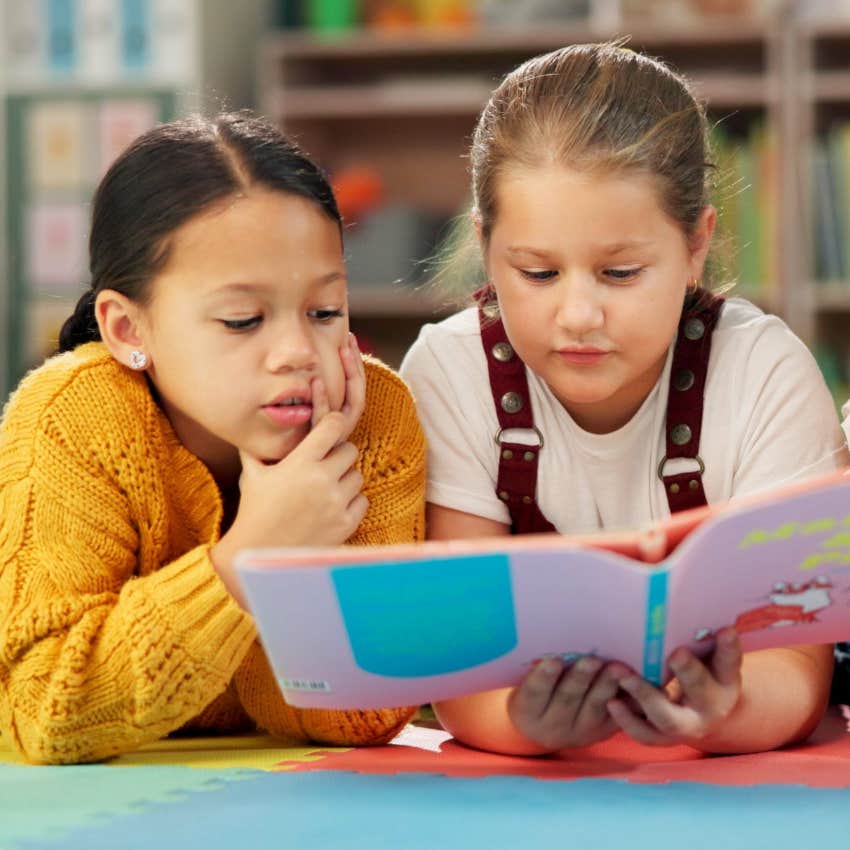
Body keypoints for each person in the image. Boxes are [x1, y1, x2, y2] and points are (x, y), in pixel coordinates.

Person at [399, 43, 849, 756]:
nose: (578, 314)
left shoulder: (765, 373)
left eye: (620, 272)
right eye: (538, 272)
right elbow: (463, 665)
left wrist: (727, 711)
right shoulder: (451, 372)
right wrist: (520, 720)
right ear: (486, 247)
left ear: (697, 244)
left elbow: (796, 668)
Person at [0, 112, 425, 764]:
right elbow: (40, 711)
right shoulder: (71, 417)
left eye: (324, 312)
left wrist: (292, 558)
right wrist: (250, 556)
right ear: (127, 330)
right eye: (242, 319)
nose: (297, 353)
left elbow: (367, 712)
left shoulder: (374, 418)